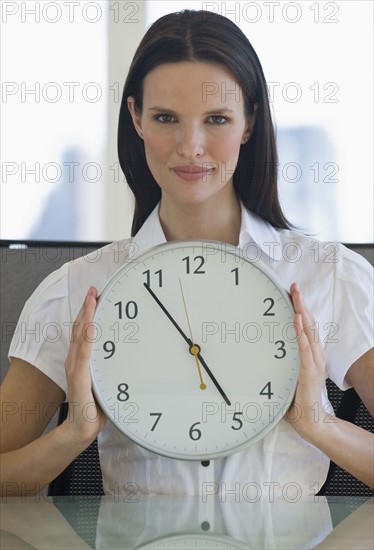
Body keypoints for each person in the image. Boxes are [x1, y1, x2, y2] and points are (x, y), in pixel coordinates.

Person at [1, 9, 373, 498]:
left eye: (216, 119)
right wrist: (73, 435)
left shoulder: (329, 276)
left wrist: (319, 424)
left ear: (249, 122)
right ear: (135, 118)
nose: (191, 146)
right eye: (165, 118)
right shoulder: (77, 289)